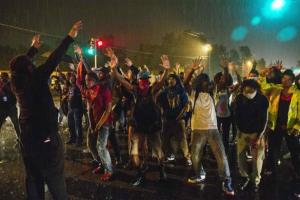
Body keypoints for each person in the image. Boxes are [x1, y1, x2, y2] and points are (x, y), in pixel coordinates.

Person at [9, 21, 82, 200]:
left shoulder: (16, 82)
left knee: (34, 181)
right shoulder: (37, 79)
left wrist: (32, 49)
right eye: (31, 63)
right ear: (29, 68)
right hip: (46, 140)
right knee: (55, 180)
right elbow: (54, 58)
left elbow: (20, 67)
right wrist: (69, 37)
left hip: (28, 141)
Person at [110, 51, 169, 186]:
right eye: (142, 80)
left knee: (159, 152)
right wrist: (113, 69)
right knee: (134, 153)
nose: (145, 83)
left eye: (146, 80)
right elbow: (121, 80)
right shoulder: (135, 90)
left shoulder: (153, 91)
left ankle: (162, 170)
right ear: (138, 81)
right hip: (139, 126)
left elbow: (161, 83)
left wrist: (166, 70)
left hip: (153, 126)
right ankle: (141, 172)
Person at [184, 57, 235, 196]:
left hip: (213, 129)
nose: (210, 84)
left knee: (221, 155)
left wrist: (225, 68)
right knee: (195, 157)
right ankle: (199, 173)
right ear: (200, 84)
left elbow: (224, 81)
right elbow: (185, 83)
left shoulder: (214, 94)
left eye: (210, 82)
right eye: (206, 82)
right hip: (197, 130)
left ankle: (227, 180)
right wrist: (193, 70)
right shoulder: (194, 94)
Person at [77, 62, 114, 181]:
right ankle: (101, 164)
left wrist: (98, 125)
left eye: (89, 80)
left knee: (101, 146)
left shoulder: (104, 90)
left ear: (95, 80)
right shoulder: (88, 91)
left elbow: (108, 110)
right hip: (94, 123)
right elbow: (89, 109)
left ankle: (109, 170)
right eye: (86, 80)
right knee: (91, 144)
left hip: (105, 123)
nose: (86, 82)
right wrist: (92, 124)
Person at [235, 79, 269, 192]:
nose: (247, 93)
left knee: (257, 159)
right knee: (240, 157)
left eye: (250, 90)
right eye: (245, 90)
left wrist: (259, 137)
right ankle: (244, 177)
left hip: (256, 134)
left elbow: (264, 120)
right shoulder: (239, 98)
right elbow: (237, 115)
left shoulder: (263, 100)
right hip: (242, 132)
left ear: (255, 89)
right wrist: (239, 130)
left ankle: (255, 181)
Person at [157, 73, 191, 166]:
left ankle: (187, 157)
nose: (170, 80)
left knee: (182, 140)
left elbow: (186, 105)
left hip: (179, 121)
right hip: (167, 120)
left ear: (176, 80)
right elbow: (158, 101)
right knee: (165, 140)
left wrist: (180, 117)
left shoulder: (181, 91)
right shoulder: (164, 91)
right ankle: (169, 155)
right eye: (169, 79)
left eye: (172, 79)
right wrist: (162, 114)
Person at [0, 72, 20, 139]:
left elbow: (15, 93)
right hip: (3, 108)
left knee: (16, 124)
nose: (2, 78)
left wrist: (6, 87)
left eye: (4, 77)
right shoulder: (0, 84)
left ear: (7, 77)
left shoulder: (11, 84)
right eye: (1, 77)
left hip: (12, 107)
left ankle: (20, 137)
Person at [66, 73, 83, 146]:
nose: (71, 79)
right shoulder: (70, 87)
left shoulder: (78, 87)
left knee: (77, 126)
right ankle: (72, 138)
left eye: (72, 78)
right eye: (70, 78)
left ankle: (79, 141)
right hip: (70, 109)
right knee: (70, 124)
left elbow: (80, 98)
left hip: (76, 109)